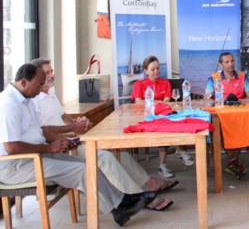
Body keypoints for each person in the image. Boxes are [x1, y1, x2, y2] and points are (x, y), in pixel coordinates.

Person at [0, 63, 156, 226]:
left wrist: (60, 142)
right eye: (38, 85)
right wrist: (49, 147)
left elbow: (41, 130)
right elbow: (12, 148)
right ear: (23, 82)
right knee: (82, 171)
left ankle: (121, 204)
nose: (40, 89)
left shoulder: (27, 100)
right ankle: (120, 205)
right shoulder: (8, 104)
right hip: (14, 165)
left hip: (36, 155)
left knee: (90, 164)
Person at [31, 58, 176, 210]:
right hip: (61, 145)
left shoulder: (51, 94)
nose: (52, 75)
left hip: (72, 138)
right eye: (47, 73)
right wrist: (71, 135)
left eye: (52, 71)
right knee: (105, 157)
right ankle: (138, 196)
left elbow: (64, 117)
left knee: (117, 149)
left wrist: (78, 124)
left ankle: (149, 183)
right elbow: (42, 132)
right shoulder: (34, 100)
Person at [132, 56, 193, 178]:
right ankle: (181, 152)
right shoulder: (139, 84)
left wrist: (151, 101)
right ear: (146, 70)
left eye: (158, 68)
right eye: (153, 69)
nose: (156, 72)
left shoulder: (165, 82)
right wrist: (155, 103)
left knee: (167, 125)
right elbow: (138, 102)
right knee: (164, 125)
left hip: (162, 116)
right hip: (146, 117)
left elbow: (166, 101)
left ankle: (163, 165)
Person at [207, 52, 249, 178]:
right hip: (221, 112)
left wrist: (241, 100)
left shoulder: (242, 75)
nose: (231, 64)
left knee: (238, 127)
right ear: (221, 64)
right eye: (227, 62)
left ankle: (233, 161)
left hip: (239, 112)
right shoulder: (214, 77)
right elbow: (207, 99)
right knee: (223, 128)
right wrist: (220, 102)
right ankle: (233, 161)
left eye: (232, 61)